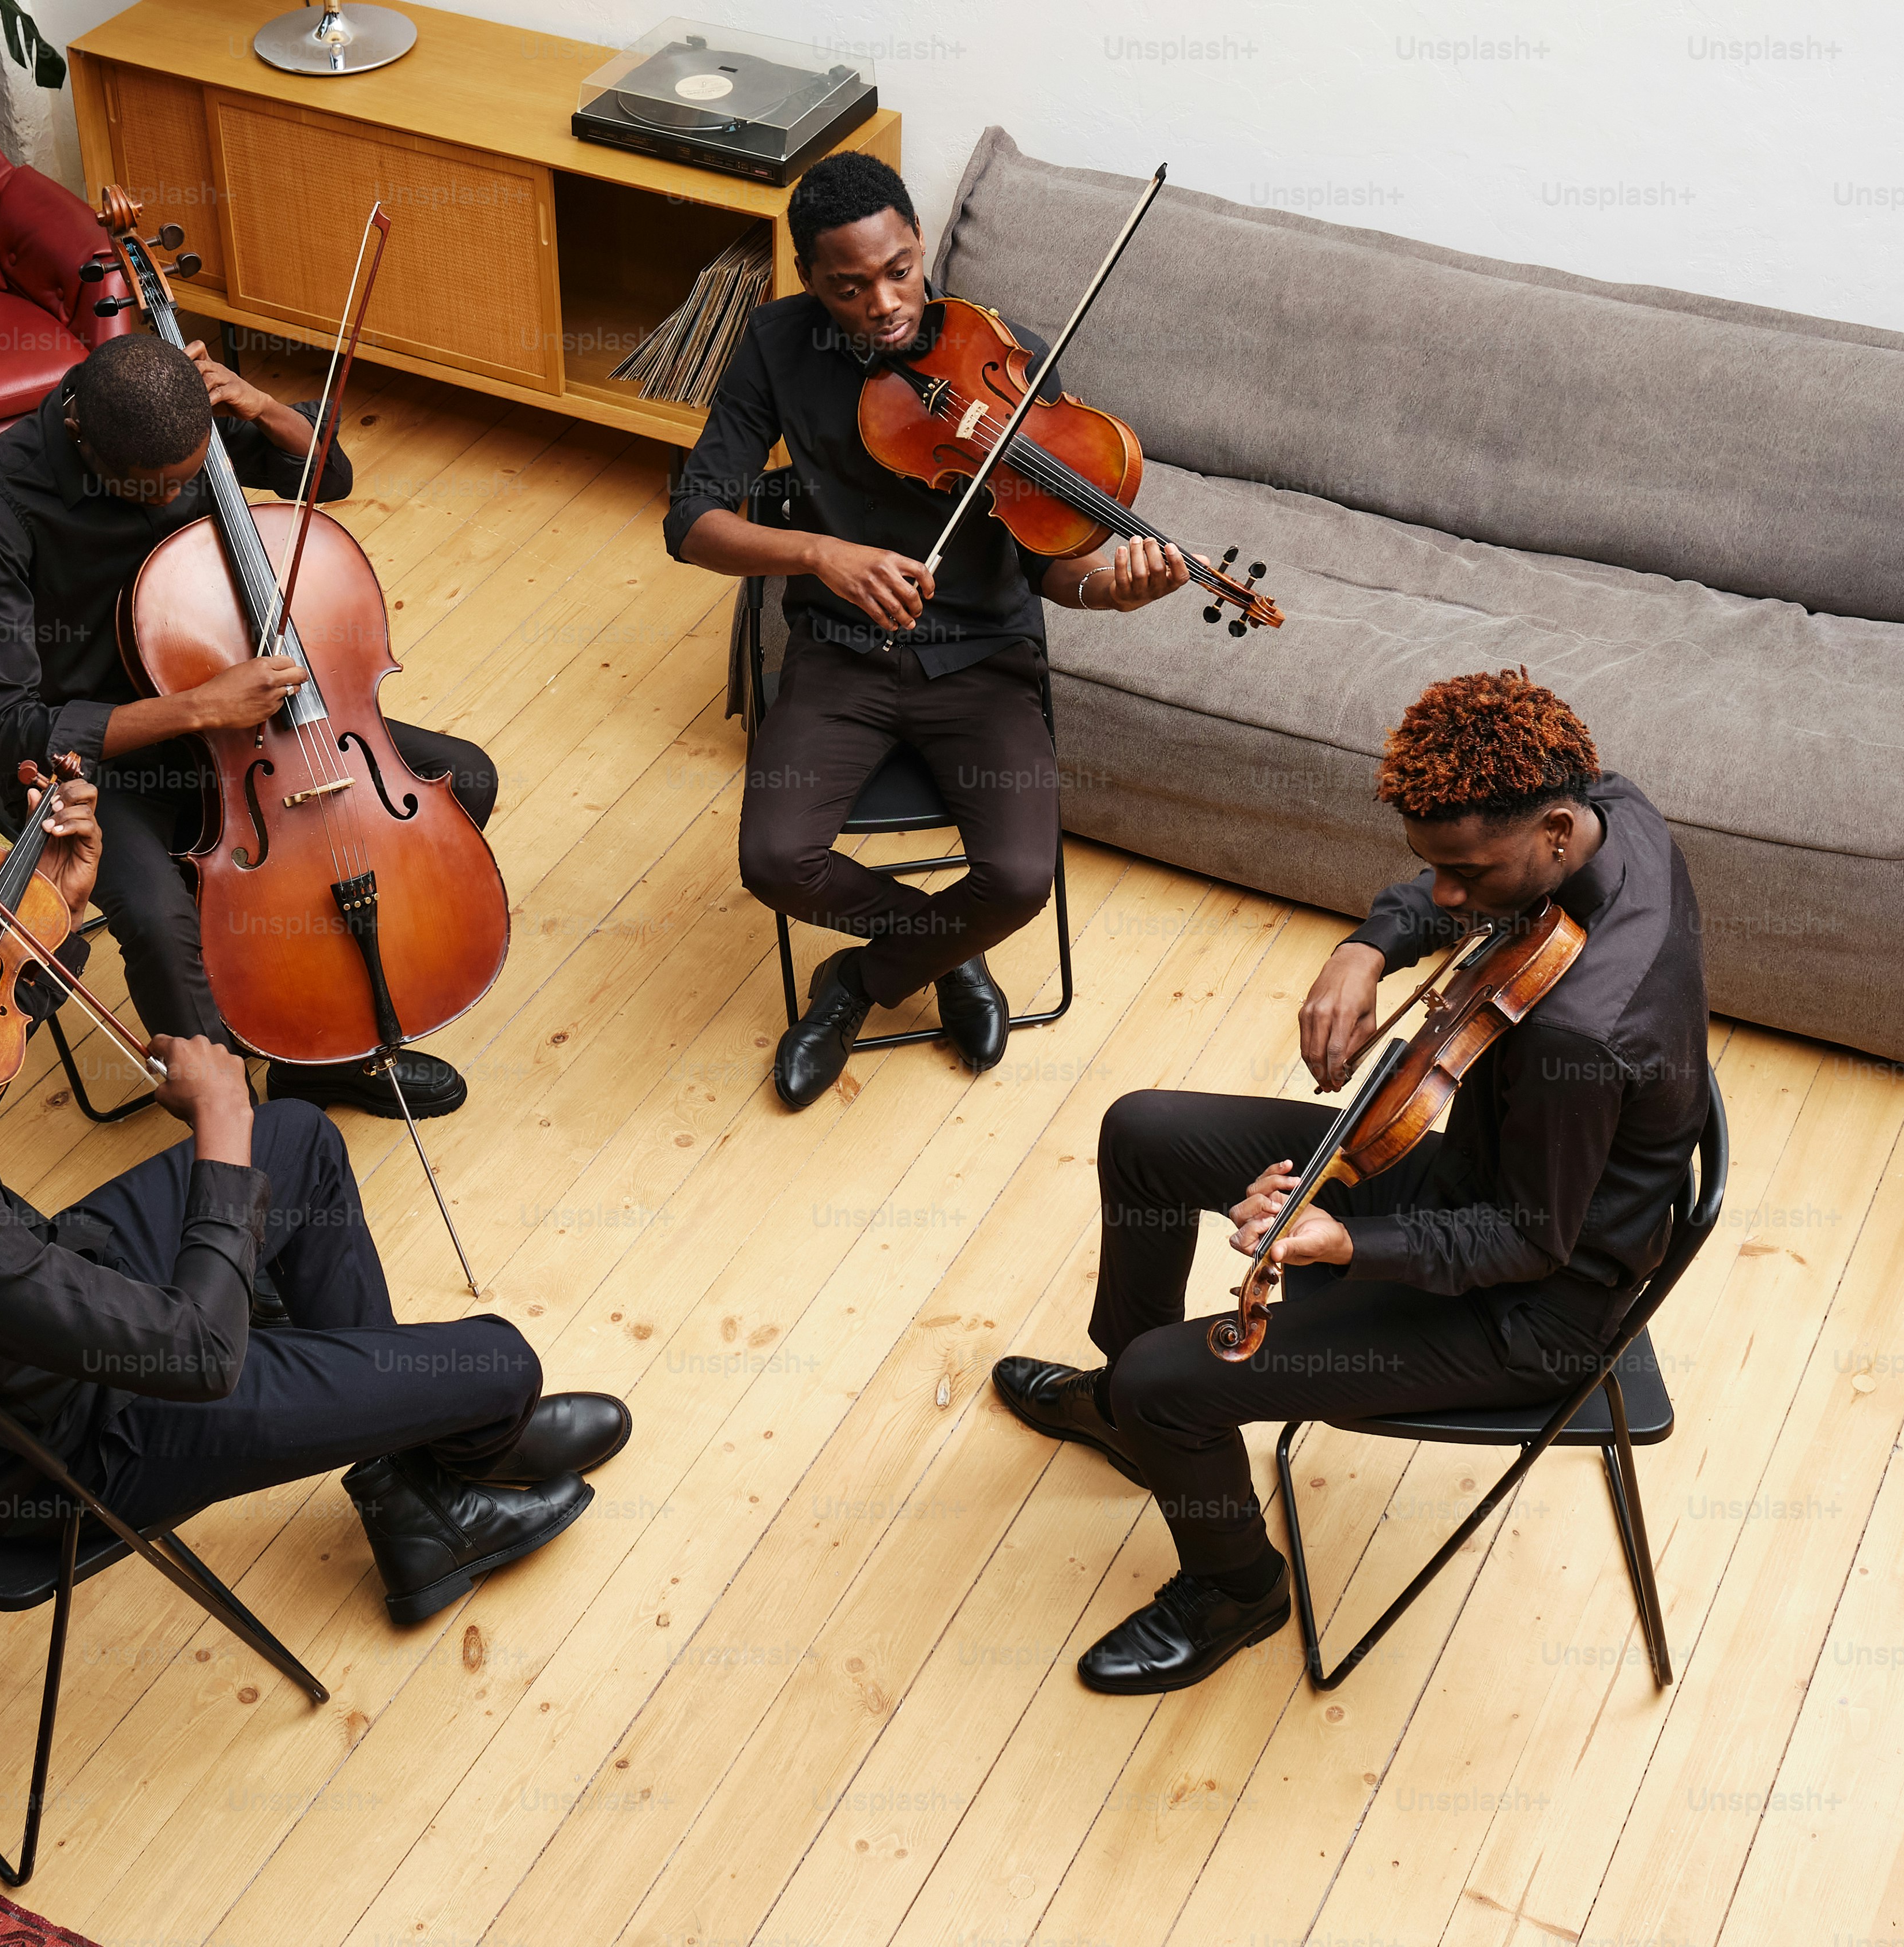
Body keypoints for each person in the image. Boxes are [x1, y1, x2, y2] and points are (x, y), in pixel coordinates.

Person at [0, 790, 628, 1626]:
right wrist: (220, 1123)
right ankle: (444, 1477)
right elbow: (197, 1357)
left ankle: (414, 1497)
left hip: (24, 1313)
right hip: (85, 1446)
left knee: (298, 1142)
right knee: (504, 1362)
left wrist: (55, 915)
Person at [993, 670, 1709, 1693]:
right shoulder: (1611, 807)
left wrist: (1339, 1242)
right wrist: (1365, 946)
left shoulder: (1581, 1036)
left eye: (1465, 874)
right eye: (1433, 871)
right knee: (1144, 1133)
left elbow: (1525, 1241)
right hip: (1473, 1176)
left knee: (1170, 1379)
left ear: (1554, 829)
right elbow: (1437, 896)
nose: (1447, 899)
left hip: (1525, 1312)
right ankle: (1128, 1416)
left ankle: (1236, 1586)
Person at [667, 151, 1188, 1109]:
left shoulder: (1007, 354)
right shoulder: (778, 346)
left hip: (982, 659)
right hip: (841, 653)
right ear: (813, 282)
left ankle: (860, 985)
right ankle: (951, 951)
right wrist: (822, 556)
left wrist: (1110, 594)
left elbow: (1049, 561)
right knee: (775, 860)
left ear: (919, 243)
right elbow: (691, 521)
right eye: (849, 286)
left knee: (1022, 877)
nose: (883, 304)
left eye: (900, 269)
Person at [0, 329, 494, 1120]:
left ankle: (322, 1047)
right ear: (86, 443)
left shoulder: (177, 411)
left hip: (249, 736)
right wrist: (199, 708)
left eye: (196, 472)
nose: (182, 495)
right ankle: (232, 1122)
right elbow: (6, 730)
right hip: (101, 768)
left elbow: (327, 475)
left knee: (463, 783)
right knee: (159, 920)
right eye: (157, 490)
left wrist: (267, 408)